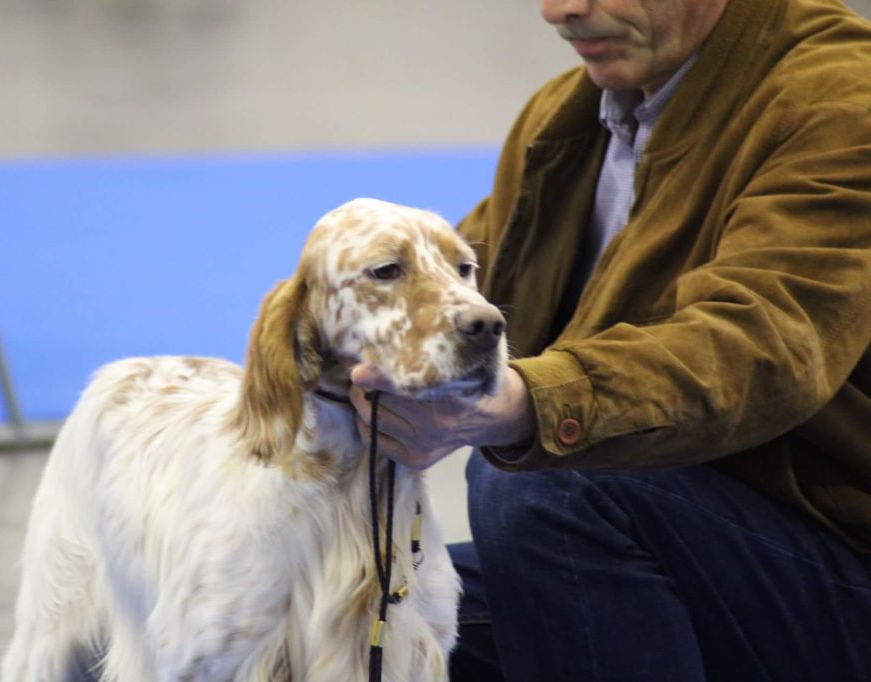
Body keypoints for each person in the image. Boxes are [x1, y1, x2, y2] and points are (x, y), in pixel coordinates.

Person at [348, 0, 871, 678]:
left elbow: (764, 347)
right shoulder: (567, 117)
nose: (558, 10)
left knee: (550, 492)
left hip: (839, 567)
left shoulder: (841, 101)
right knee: (351, 617)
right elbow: (448, 293)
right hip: (687, 539)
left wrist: (524, 403)